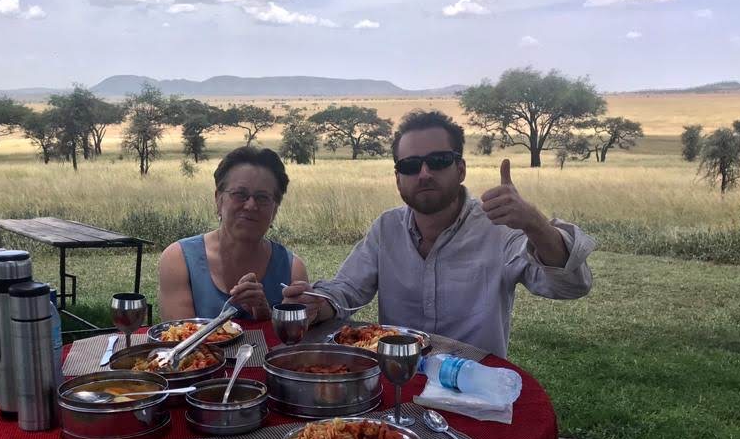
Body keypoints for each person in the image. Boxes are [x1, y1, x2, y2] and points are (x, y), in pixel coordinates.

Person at [282, 110, 594, 357]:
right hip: (400, 383)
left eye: (439, 161)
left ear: (460, 169)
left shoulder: (498, 230)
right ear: (397, 178)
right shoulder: (386, 229)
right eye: (410, 165)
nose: (424, 173)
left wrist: (534, 223)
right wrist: (316, 305)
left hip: (471, 388)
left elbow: (571, 285)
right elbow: (347, 289)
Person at [158, 146, 308, 320]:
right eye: (240, 194)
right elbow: (178, 339)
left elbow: (296, 341)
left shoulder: (292, 269)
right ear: (219, 200)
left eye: (262, 197)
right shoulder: (179, 259)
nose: (251, 205)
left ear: (274, 210)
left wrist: (263, 314)